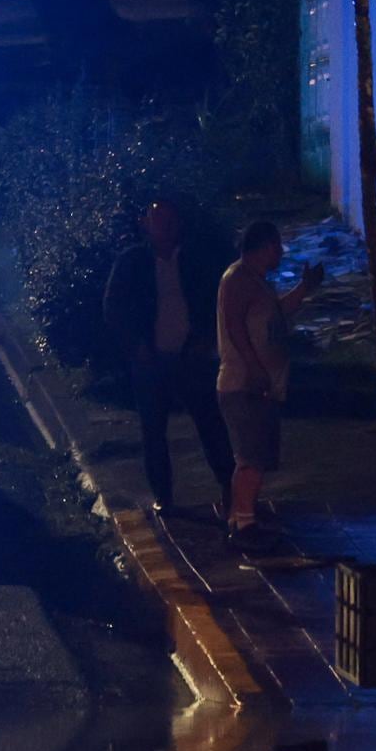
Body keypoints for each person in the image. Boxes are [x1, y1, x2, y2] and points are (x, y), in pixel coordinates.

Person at [100, 197, 234, 519]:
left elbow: (213, 298)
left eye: (169, 220)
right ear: (146, 224)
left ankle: (230, 488)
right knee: (153, 430)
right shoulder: (132, 262)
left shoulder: (193, 259)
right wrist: (136, 345)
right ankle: (163, 496)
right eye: (158, 220)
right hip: (151, 359)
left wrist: (204, 337)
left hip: (190, 357)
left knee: (210, 424)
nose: (164, 227)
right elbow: (113, 307)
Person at [215, 219, 320, 550]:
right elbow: (234, 326)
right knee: (252, 457)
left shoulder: (258, 282)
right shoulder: (237, 279)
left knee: (252, 456)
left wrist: (304, 287)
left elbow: (276, 313)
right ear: (264, 247)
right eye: (277, 246)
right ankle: (245, 523)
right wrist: (254, 367)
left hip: (263, 383)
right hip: (244, 384)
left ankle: (240, 517)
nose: (281, 253)